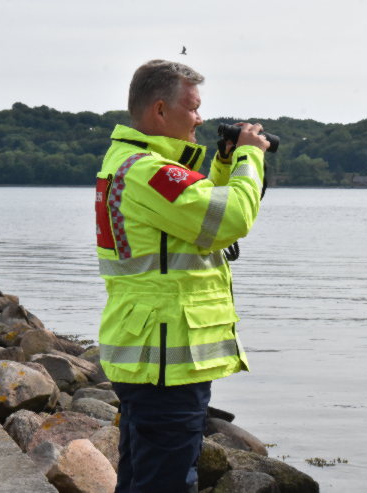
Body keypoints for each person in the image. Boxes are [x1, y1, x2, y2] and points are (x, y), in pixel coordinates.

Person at [94, 59, 269, 493]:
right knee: (167, 482)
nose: (200, 118)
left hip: (149, 350)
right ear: (159, 110)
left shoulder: (132, 164)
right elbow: (229, 217)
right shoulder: (149, 172)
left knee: (141, 475)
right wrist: (249, 156)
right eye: (192, 108)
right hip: (165, 358)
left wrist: (224, 166)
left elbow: (195, 220)